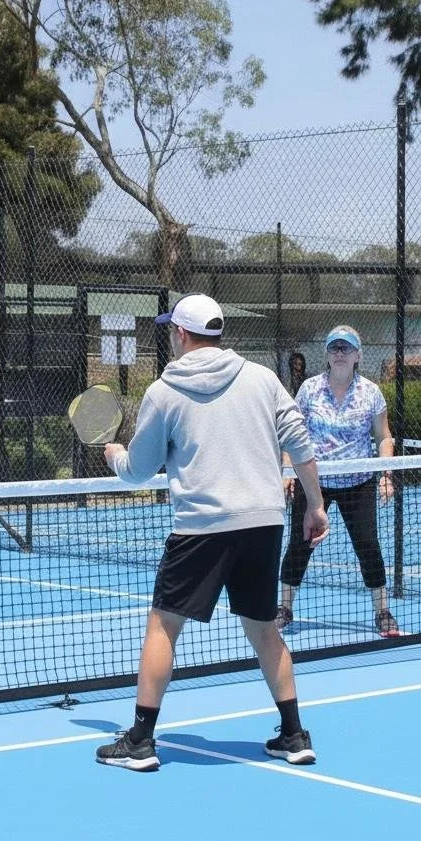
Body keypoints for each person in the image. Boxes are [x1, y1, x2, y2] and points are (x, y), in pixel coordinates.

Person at [95, 293, 329, 772]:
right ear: (219, 333)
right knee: (265, 629)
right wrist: (316, 505)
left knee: (163, 626)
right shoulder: (263, 379)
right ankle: (293, 734)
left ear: (181, 334)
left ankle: (139, 740)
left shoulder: (164, 391)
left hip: (200, 527)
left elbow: (139, 470)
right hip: (263, 522)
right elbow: (300, 442)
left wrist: (115, 456)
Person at [277, 325, 399, 637]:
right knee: (299, 545)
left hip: (359, 482)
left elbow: (383, 436)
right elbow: (294, 434)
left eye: (346, 348)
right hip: (313, 481)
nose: (340, 353)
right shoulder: (309, 389)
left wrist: (386, 474)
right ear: (328, 355)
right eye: (335, 348)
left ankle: (382, 612)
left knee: (368, 546)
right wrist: (288, 469)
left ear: (358, 355)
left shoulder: (372, 393)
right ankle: (284, 608)